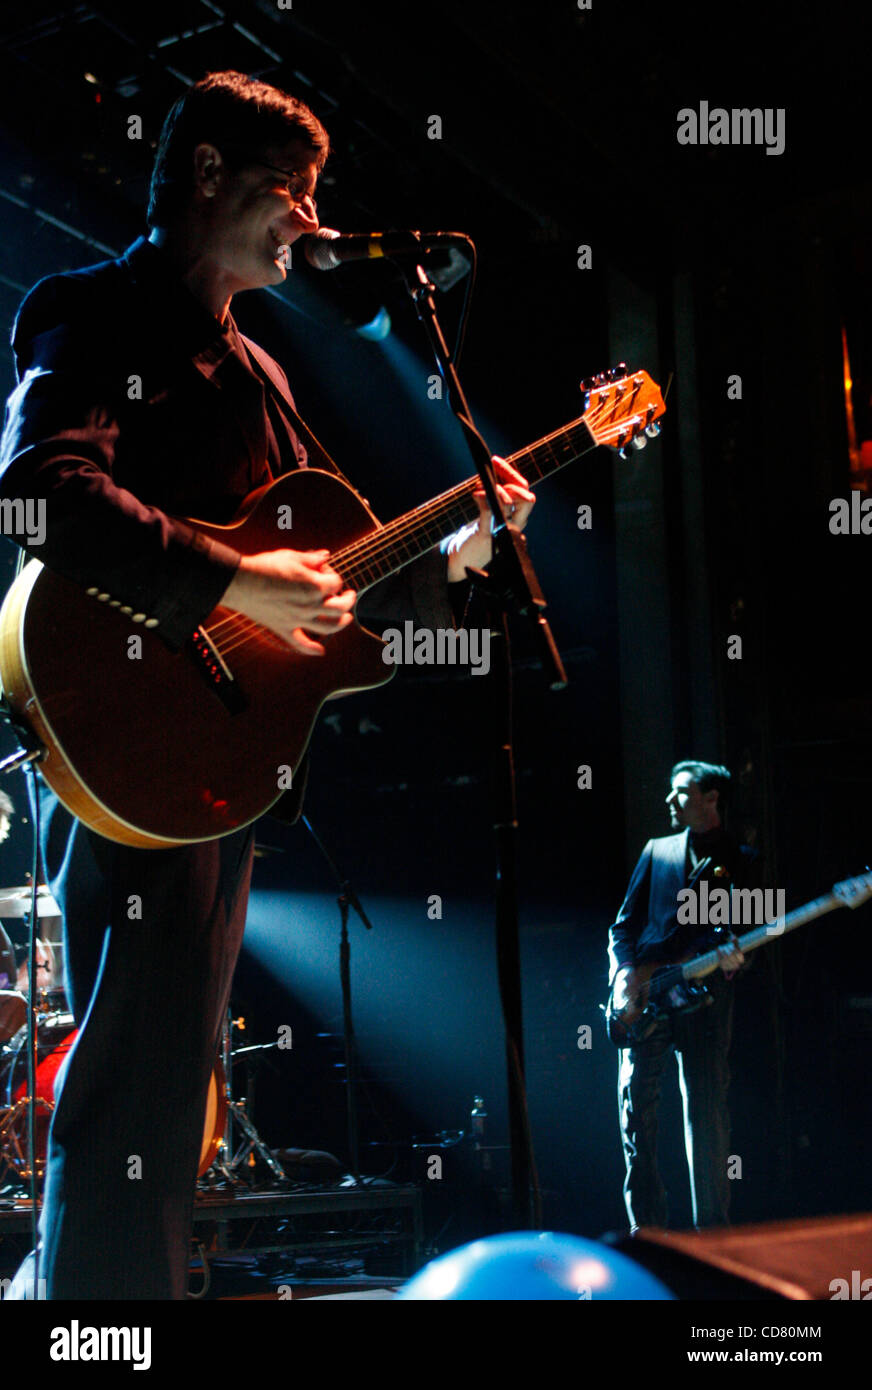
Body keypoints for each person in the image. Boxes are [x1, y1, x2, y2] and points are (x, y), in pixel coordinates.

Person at [0, 69, 534, 1298]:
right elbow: (42, 493)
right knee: (134, 1073)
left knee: (169, 1077)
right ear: (202, 175)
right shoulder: (92, 309)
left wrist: (454, 547)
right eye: (290, 188)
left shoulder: (265, 375)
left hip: (220, 765)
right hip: (118, 730)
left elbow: (340, 599)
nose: (310, 215)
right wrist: (234, 581)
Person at [608, 760, 757, 1230]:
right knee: (637, 1118)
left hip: (704, 1001)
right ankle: (647, 1239)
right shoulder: (659, 851)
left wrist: (737, 959)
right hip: (645, 999)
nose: (669, 800)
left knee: (707, 1118)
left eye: (681, 792)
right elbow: (622, 926)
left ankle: (711, 1245)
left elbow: (749, 932)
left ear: (711, 798)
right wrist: (623, 977)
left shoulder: (743, 859)